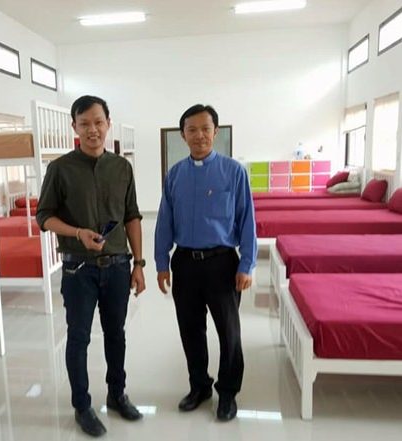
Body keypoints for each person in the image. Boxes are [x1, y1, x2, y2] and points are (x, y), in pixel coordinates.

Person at [36, 95, 146, 437]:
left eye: (98, 122)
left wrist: (139, 264)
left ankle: (117, 395)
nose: (92, 129)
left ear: (108, 123)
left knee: (116, 334)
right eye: (84, 123)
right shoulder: (60, 169)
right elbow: (43, 217)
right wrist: (77, 232)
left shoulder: (122, 168)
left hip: (117, 266)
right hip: (78, 270)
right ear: (75, 127)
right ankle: (82, 406)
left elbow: (132, 216)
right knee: (79, 338)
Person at [154, 104, 256, 422]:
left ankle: (228, 393)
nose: (199, 135)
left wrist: (247, 264)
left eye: (205, 128)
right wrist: (161, 262)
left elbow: (247, 221)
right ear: (183, 135)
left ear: (215, 131)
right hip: (185, 263)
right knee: (191, 330)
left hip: (222, 264)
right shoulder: (175, 175)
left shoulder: (234, 172)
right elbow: (164, 220)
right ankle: (199, 387)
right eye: (192, 130)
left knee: (229, 332)